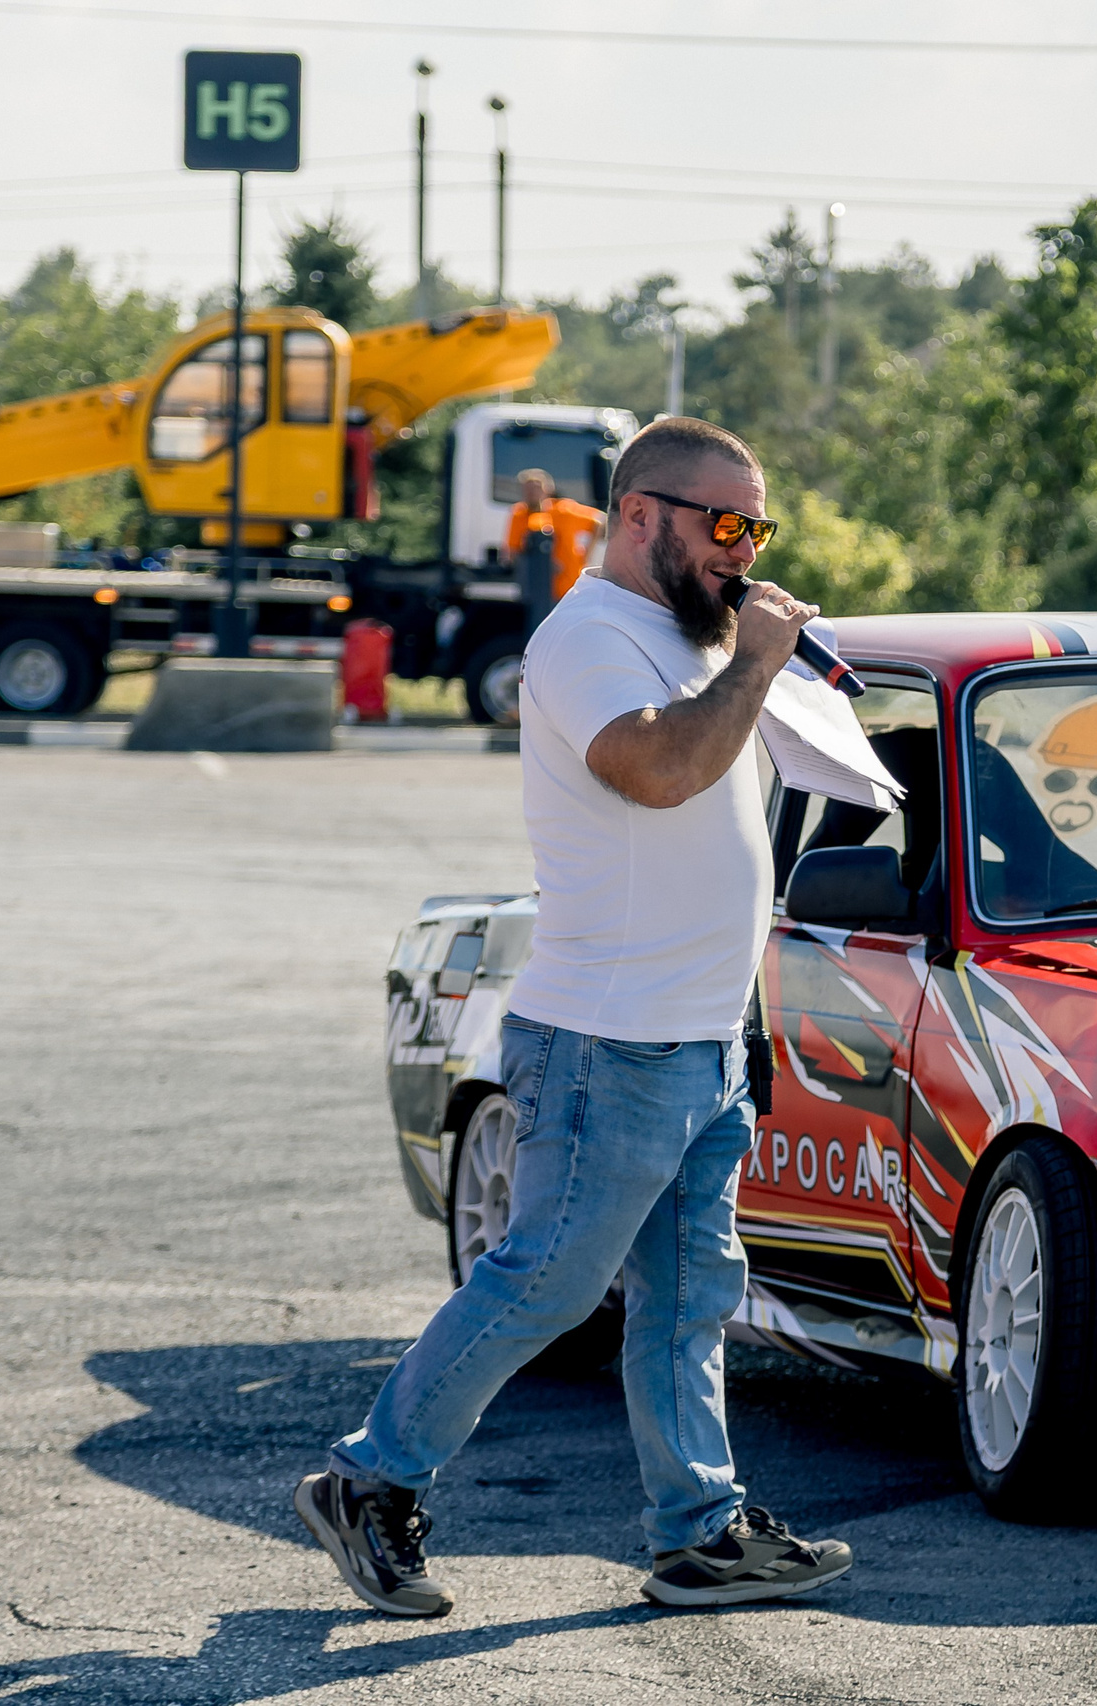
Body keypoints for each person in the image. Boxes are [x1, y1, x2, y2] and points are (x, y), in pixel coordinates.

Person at [297, 417, 856, 1614]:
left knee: (690, 1295)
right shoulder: (589, 635)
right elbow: (654, 771)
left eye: (756, 527)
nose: (743, 550)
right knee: (549, 1279)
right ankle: (367, 1477)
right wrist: (754, 666)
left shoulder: (687, 636)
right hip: (610, 1037)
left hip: (698, 1037)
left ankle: (699, 1529)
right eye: (725, 524)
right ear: (642, 513)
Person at [505, 466, 605, 609]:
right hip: (539, 591)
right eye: (527, 488)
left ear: (548, 489)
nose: (532, 492)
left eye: (537, 487)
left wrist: (586, 555)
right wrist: (542, 563)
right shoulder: (520, 514)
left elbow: (599, 521)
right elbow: (513, 551)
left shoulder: (565, 510)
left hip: (569, 586)